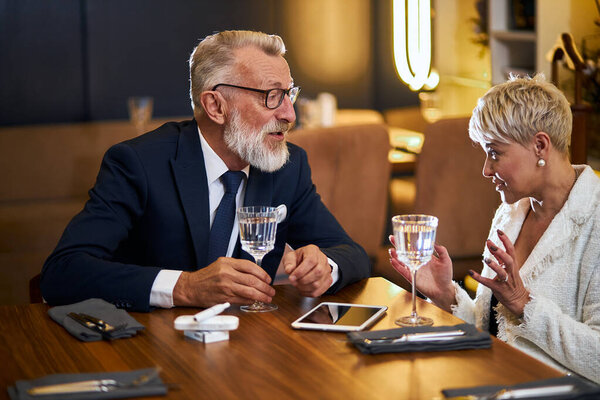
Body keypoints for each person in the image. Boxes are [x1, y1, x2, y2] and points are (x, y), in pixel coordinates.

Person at [41, 30, 370, 312]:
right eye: (272, 96)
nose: (289, 114)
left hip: (251, 352)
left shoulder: (287, 165)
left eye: (289, 94)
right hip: (150, 350)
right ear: (215, 106)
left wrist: (325, 267)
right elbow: (63, 272)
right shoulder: (138, 163)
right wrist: (184, 286)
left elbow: (351, 253)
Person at [389, 75, 600, 383]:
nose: (486, 169)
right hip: (493, 379)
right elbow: (495, 328)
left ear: (540, 145)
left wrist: (525, 304)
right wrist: (447, 294)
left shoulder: (594, 221)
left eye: (494, 153)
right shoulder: (511, 212)